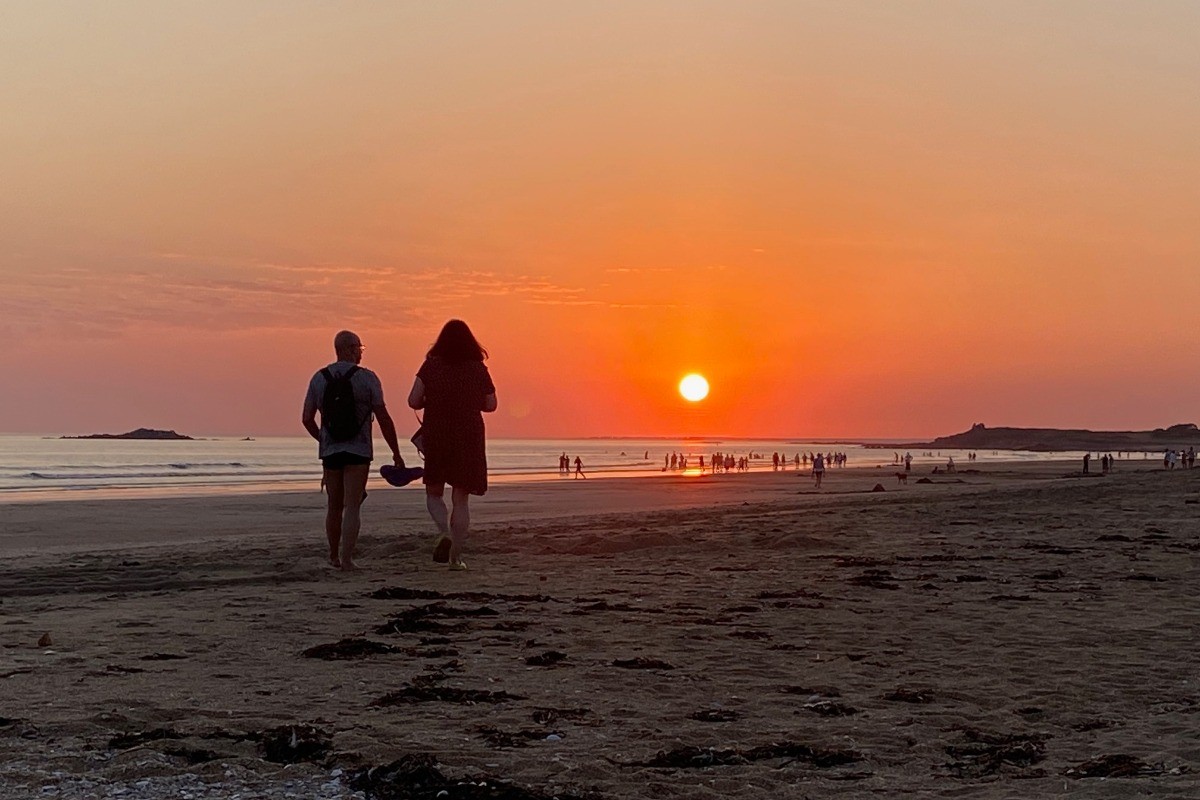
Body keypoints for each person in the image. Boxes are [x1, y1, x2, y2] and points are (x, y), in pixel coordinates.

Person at [302, 330, 408, 571]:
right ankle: (348, 559)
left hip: (330, 452)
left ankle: (333, 556)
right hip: (358, 450)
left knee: (334, 506)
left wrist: (323, 440)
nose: (361, 353)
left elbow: (306, 418)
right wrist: (396, 452)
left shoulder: (319, 378)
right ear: (350, 349)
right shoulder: (368, 378)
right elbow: (383, 417)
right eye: (359, 348)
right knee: (352, 506)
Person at [408, 320, 497, 571]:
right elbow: (491, 404)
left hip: (438, 433)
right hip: (468, 435)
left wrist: (431, 400)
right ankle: (456, 558)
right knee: (461, 499)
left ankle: (443, 531)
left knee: (434, 492)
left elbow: (413, 400)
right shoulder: (478, 368)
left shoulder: (431, 366)